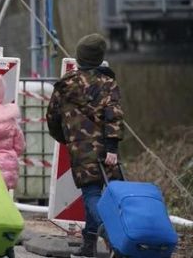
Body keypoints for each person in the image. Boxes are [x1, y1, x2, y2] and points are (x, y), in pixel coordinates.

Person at [47, 34, 124, 257]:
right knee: (102, 192)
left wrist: (65, 138)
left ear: (79, 57)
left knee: (91, 192)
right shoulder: (108, 83)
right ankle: (89, 245)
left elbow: (52, 117)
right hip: (106, 147)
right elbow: (114, 116)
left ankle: (106, 232)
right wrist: (112, 148)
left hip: (80, 147)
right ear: (100, 58)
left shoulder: (65, 84)